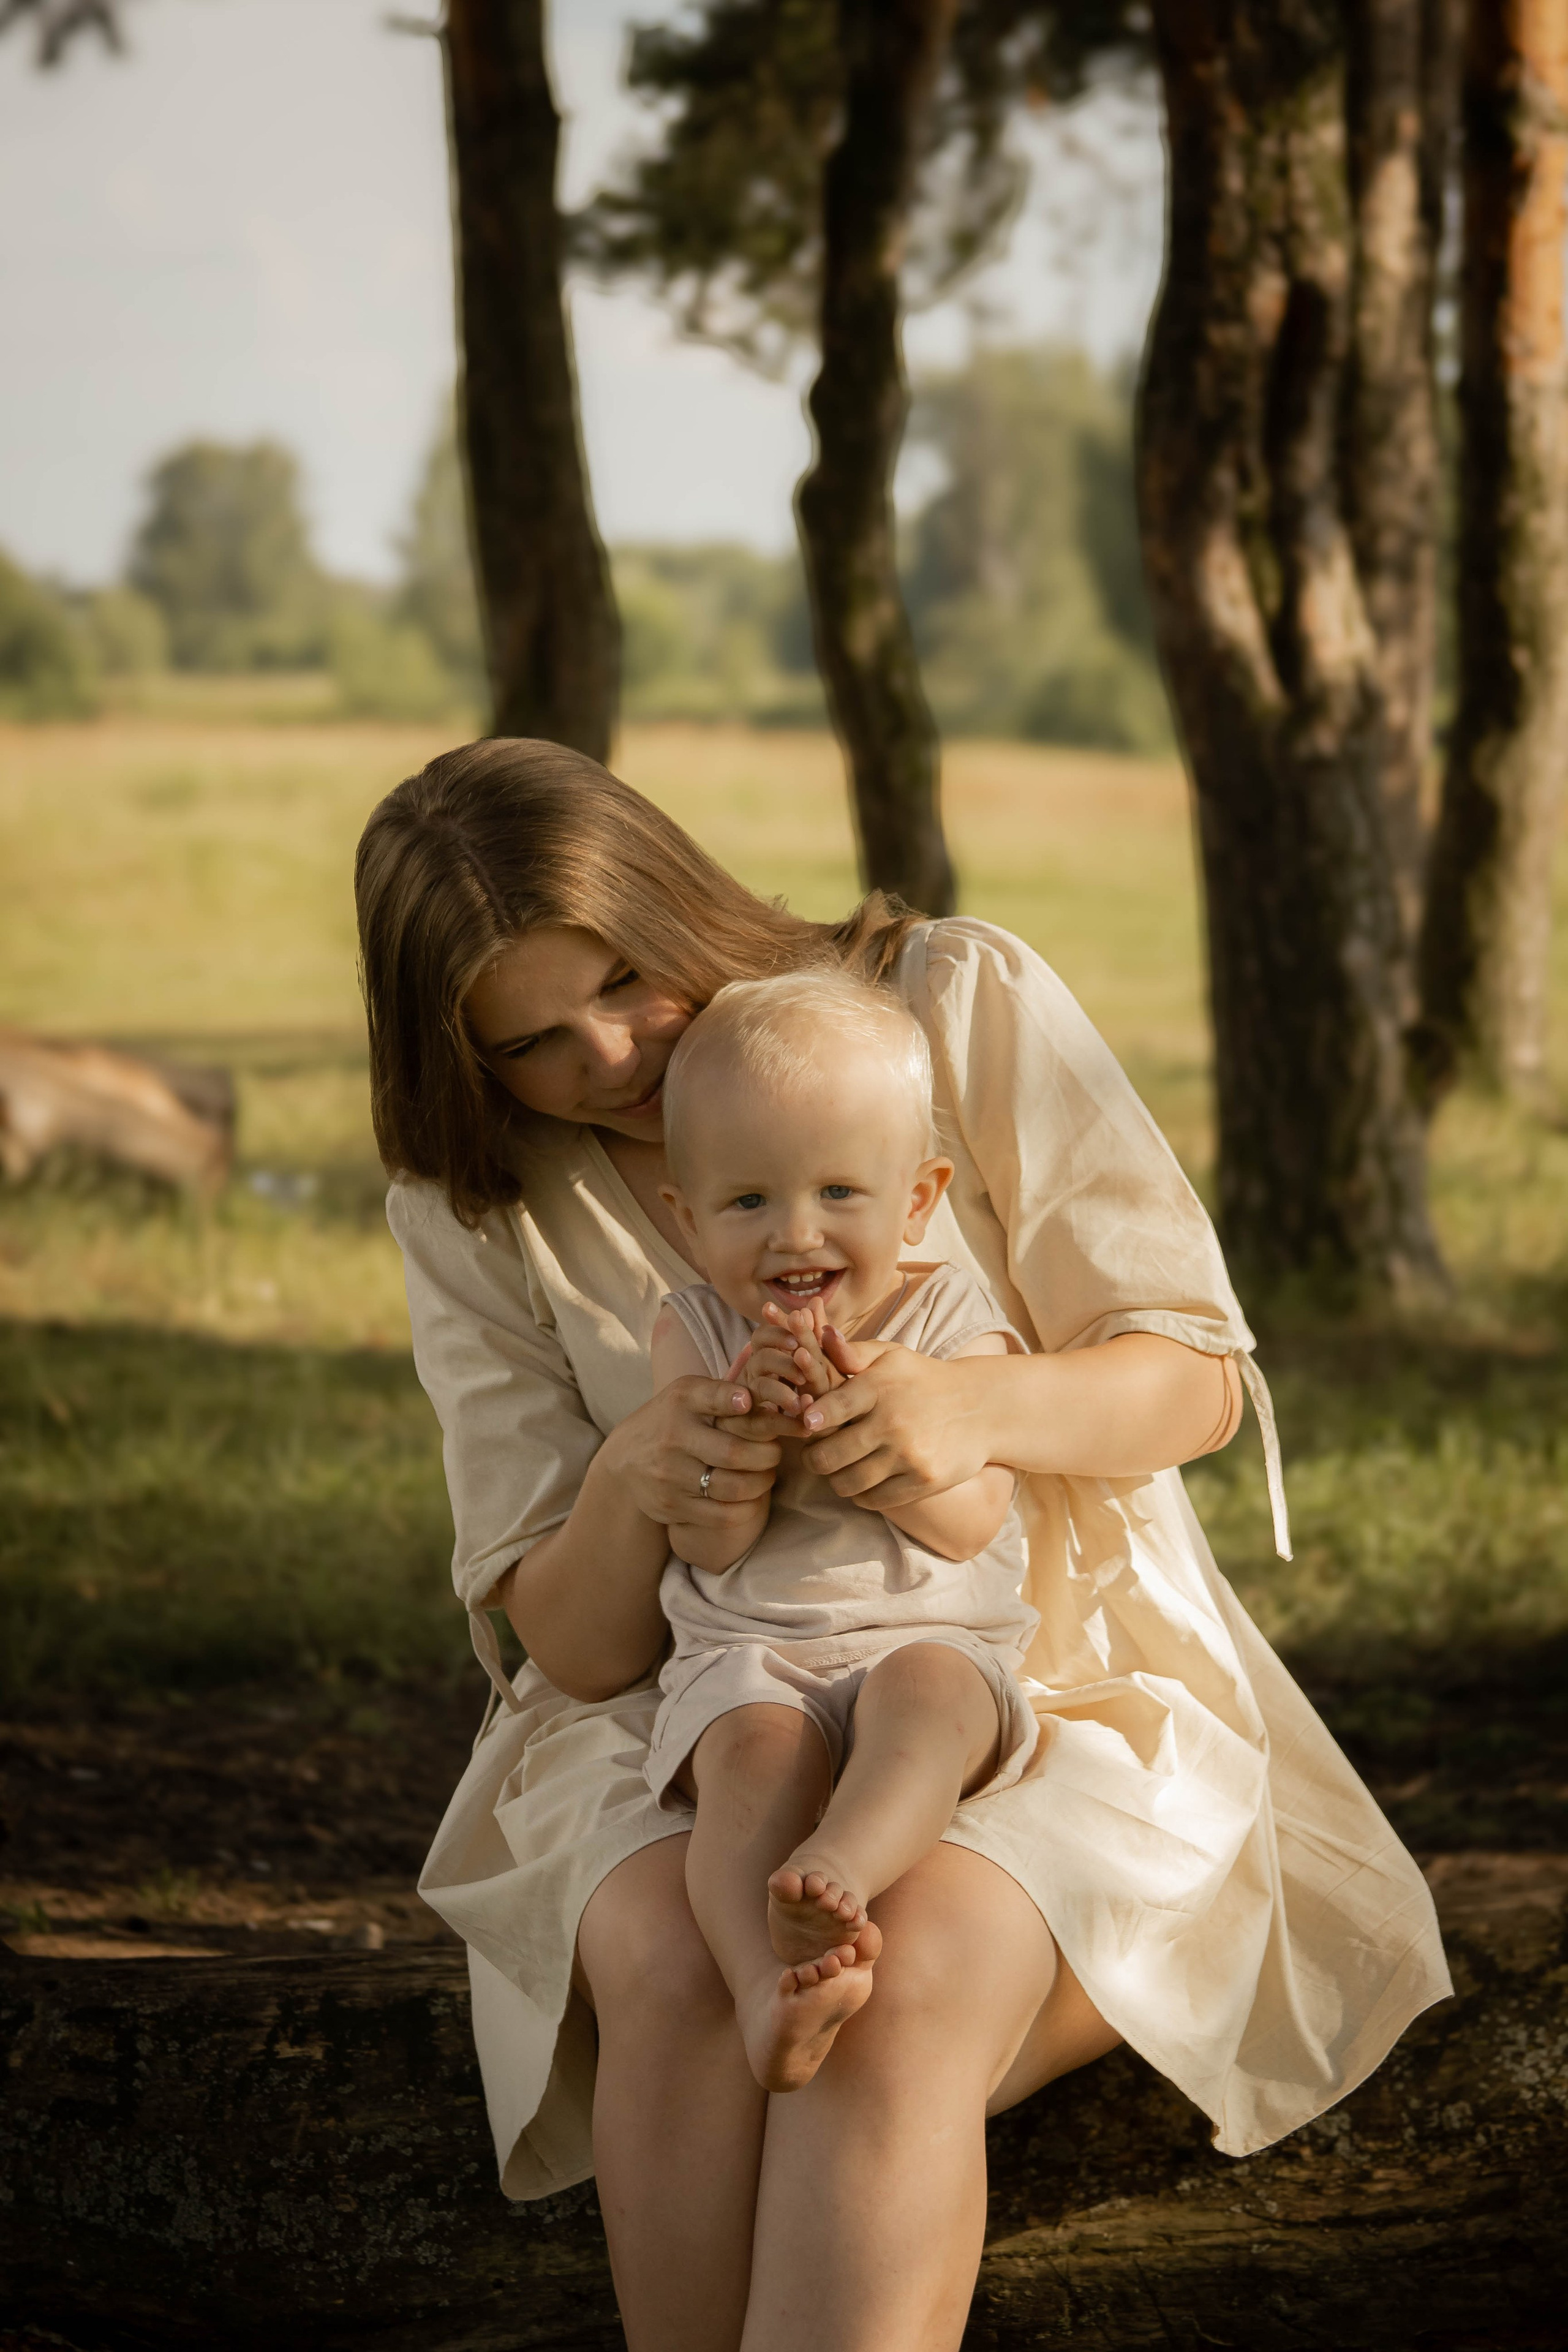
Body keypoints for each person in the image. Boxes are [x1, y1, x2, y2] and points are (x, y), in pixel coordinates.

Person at [356, 737, 1449, 2352]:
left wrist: (977, 1412)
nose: (610, 1053)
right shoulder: (478, 1200)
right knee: (675, 1960)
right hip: (698, 1701)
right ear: (459, 1057)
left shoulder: (945, 1004)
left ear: (677, 901)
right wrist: (641, 1483)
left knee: (889, 1992)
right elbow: (575, 1648)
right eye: (532, 1040)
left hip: (1040, 1681)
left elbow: (1196, 1382)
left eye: (629, 979)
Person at [644, 970, 1045, 2093]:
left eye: (838, 1193)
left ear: (917, 1202)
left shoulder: (956, 1325)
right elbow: (711, 1543)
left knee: (929, 1695)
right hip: (749, 1651)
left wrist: (872, 1438)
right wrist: (752, 1430)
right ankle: (762, 1986)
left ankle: (839, 1868)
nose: (796, 1234)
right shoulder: (691, 1332)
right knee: (747, 1758)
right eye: (748, 1203)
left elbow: (968, 1526)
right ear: (685, 1216)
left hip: (927, 1639)